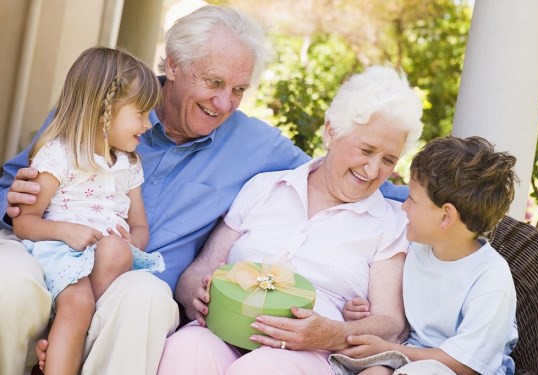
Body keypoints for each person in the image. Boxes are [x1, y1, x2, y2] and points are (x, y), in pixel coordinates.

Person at [0, 5, 408, 374]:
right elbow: (10, 184)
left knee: (148, 301)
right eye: (213, 82)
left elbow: (343, 172)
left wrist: (436, 204)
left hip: (133, 279)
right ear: (173, 65)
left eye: (238, 89)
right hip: (47, 247)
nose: (225, 103)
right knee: (8, 280)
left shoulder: (255, 146)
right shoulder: (100, 107)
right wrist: (17, 205)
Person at [157, 65, 424, 374]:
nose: (373, 169)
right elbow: (202, 268)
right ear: (331, 131)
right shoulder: (265, 187)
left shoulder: (389, 223)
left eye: (388, 159)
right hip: (225, 329)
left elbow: (392, 324)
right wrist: (194, 294)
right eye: (366, 150)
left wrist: (332, 333)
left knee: (260, 370)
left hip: (312, 353)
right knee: (186, 349)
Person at [10, 47, 166, 375]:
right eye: (140, 113)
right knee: (78, 303)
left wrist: (130, 242)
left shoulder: (129, 165)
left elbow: (140, 226)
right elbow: (24, 223)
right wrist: (67, 231)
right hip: (62, 251)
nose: (148, 124)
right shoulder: (59, 156)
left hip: (108, 260)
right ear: (102, 112)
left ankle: (58, 349)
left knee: (114, 252)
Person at [330, 136, 519, 375]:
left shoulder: (490, 278)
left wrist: (387, 348)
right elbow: (394, 306)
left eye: (412, 199)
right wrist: (361, 310)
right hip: (410, 357)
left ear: (446, 217)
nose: (404, 207)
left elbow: (467, 363)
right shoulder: (418, 248)